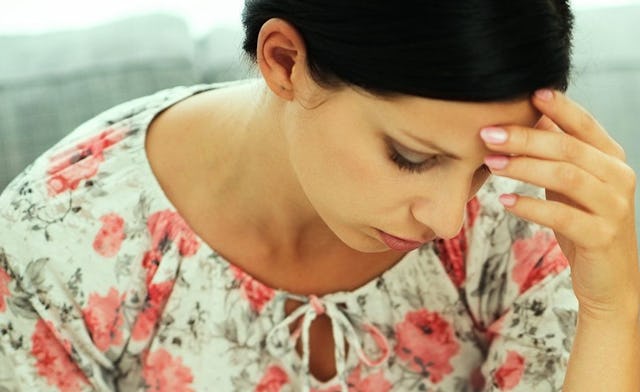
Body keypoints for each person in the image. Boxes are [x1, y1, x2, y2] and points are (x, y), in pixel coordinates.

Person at [0, 0, 638, 391]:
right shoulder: (56, 244)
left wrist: (613, 310)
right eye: (412, 157)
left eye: (483, 169)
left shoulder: (528, 210)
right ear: (284, 62)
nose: (449, 219)